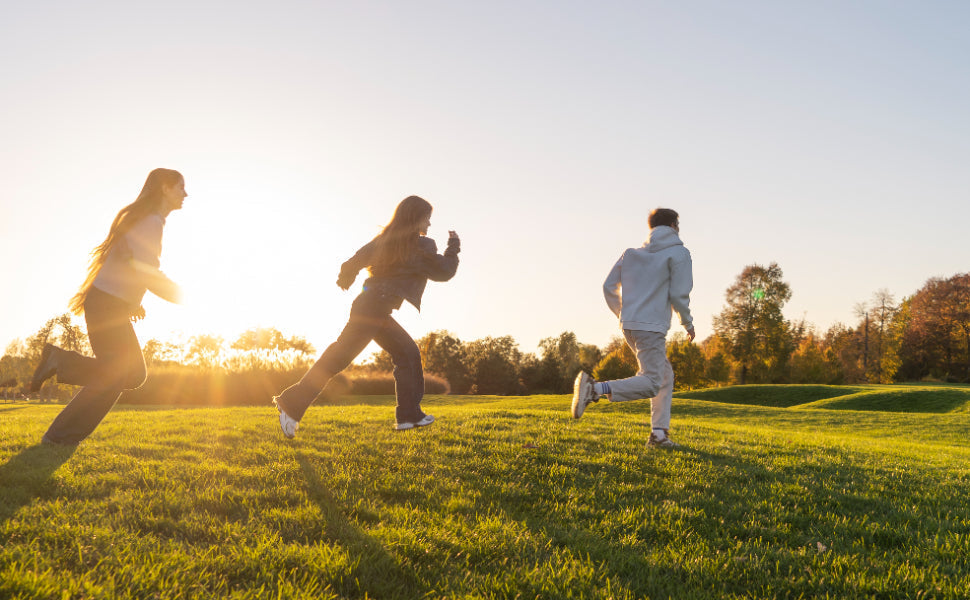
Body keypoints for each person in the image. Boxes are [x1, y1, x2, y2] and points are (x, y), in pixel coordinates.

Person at [273, 195, 460, 436]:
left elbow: (353, 261)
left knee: (406, 353)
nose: (430, 224)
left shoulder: (384, 241)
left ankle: (408, 416)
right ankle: (292, 404)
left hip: (371, 307)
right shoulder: (421, 247)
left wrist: (346, 278)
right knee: (340, 357)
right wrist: (454, 246)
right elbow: (444, 271)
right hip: (374, 309)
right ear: (417, 218)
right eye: (428, 218)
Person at [30, 168, 186, 445]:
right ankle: (59, 432)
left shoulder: (149, 220)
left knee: (126, 375)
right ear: (165, 188)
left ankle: (60, 379)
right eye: (180, 187)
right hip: (106, 306)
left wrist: (132, 301)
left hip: (110, 305)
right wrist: (182, 296)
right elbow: (146, 271)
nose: (185, 194)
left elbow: (130, 265)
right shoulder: (151, 222)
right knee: (120, 374)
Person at [571, 207, 694, 449]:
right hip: (651, 328)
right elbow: (679, 294)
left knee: (664, 375)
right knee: (651, 381)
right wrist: (687, 322)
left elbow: (608, 287)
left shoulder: (631, 254)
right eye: (678, 225)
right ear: (673, 226)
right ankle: (594, 389)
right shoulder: (679, 253)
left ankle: (658, 436)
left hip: (630, 326)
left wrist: (624, 313)